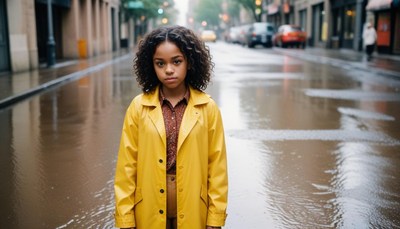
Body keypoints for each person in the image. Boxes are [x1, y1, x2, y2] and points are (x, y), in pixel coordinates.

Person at [114, 25, 228, 229]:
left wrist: (215, 218)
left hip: (195, 209)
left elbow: (217, 168)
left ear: (189, 62)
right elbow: (126, 167)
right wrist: (125, 218)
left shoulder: (208, 108)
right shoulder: (138, 108)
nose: (168, 69)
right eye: (160, 63)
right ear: (151, 66)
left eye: (176, 61)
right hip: (147, 210)